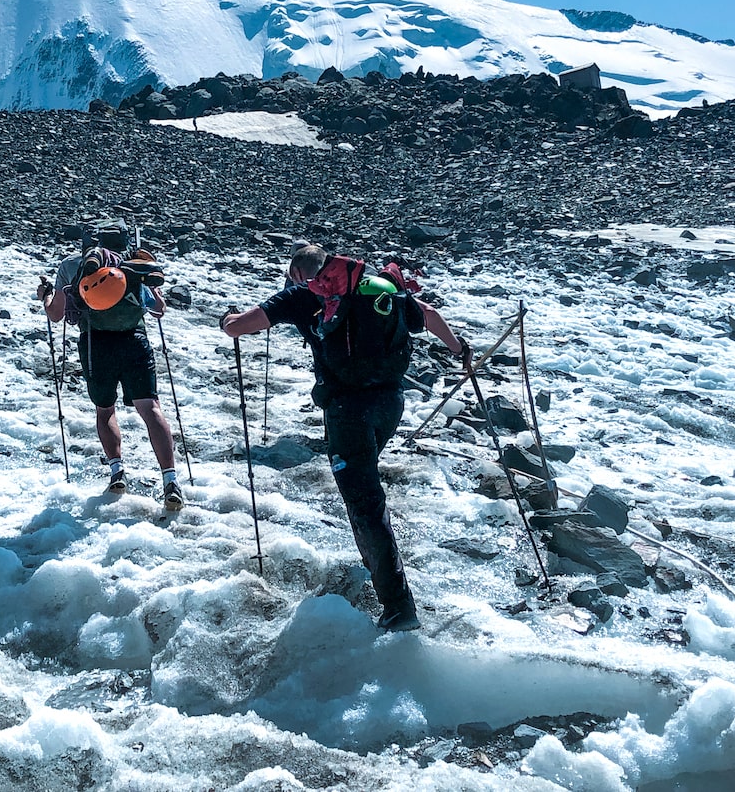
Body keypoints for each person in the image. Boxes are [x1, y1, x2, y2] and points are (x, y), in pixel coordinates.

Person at [221, 245, 468, 631]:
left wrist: (226, 320)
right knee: (363, 488)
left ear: (299, 274)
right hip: (390, 401)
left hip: (346, 411)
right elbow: (431, 316)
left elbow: (241, 326)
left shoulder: (302, 294)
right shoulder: (376, 287)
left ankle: (398, 607)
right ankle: (377, 565)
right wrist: (461, 349)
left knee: (366, 501)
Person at [38, 225, 184, 510]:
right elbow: (159, 308)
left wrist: (44, 296)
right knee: (150, 409)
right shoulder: (136, 265)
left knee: (105, 410)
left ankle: (117, 472)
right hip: (135, 340)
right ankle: (171, 481)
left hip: (96, 344)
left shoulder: (73, 266)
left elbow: (55, 315)